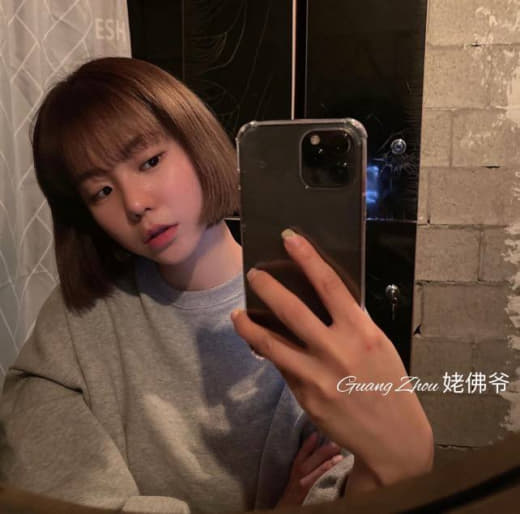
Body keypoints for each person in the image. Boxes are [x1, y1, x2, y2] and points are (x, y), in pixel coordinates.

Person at [0, 57, 432, 514]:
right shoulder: (80, 318)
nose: (135, 203)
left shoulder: (307, 306)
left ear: (197, 143)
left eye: (149, 161)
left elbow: (348, 477)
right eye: (101, 192)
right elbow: (48, 471)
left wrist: (393, 460)